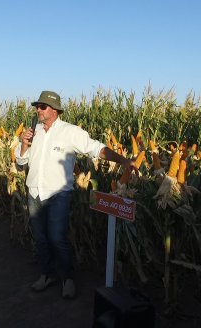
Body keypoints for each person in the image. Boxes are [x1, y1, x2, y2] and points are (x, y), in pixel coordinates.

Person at [15, 91, 137, 299]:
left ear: (54, 110)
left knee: (57, 238)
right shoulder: (33, 132)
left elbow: (95, 149)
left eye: (42, 107)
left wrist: (123, 160)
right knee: (41, 239)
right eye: (37, 106)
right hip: (34, 192)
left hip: (58, 195)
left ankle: (67, 278)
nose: (38, 110)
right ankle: (46, 275)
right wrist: (24, 144)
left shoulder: (70, 132)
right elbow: (20, 163)